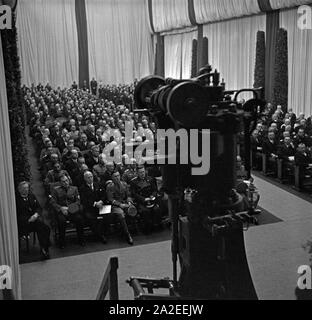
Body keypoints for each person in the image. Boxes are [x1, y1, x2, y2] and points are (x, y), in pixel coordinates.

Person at [16, 181, 51, 259]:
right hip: (25, 223)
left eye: (27, 188)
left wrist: (36, 214)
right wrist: (28, 219)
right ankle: (45, 248)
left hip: (35, 221)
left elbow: (38, 207)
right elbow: (18, 214)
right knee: (41, 225)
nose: (26, 190)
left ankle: (44, 248)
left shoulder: (31, 196)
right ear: (19, 190)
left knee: (46, 228)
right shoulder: (16, 200)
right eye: (24, 188)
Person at [50, 174, 85, 248]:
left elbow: (78, 201)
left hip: (72, 210)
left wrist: (69, 208)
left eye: (67, 180)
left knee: (79, 219)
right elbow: (53, 202)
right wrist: (61, 208)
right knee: (61, 221)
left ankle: (81, 239)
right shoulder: (56, 190)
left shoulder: (74, 188)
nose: (66, 182)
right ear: (60, 183)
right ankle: (62, 241)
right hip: (62, 211)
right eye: (63, 181)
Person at [130, 166, 162, 234]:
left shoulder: (151, 179)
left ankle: (156, 226)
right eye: (140, 172)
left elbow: (155, 190)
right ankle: (147, 228)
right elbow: (134, 194)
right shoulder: (133, 182)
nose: (142, 174)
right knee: (145, 211)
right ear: (137, 173)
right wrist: (144, 199)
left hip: (151, 199)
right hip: (142, 201)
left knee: (156, 209)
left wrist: (152, 196)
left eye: (143, 172)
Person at [79, 171, 108, 244]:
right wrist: (95, 204)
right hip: (90, 208)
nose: (90, 179)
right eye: (88, 177)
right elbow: (84, 200)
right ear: (85, 179)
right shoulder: (82, 188)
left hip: (101, 205)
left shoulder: (98, 184)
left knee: (108, 213)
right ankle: (100, 235)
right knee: (91, 218)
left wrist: (101, 201)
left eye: (91, 177)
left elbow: (104, 195)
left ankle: (103, 232)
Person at [106, 171, 134, 245]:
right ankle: (127, 235)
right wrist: (120, 204)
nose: (117, 177)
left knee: (132, 209)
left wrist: (129, 202)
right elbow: (110, 199)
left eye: (118, 175)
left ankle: (134, 229)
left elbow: (128, 195)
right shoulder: (110, 186)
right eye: (115, 176)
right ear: (112, 178)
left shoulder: (124, 184)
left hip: (125, 203)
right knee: (121, 214)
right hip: (116, 206)